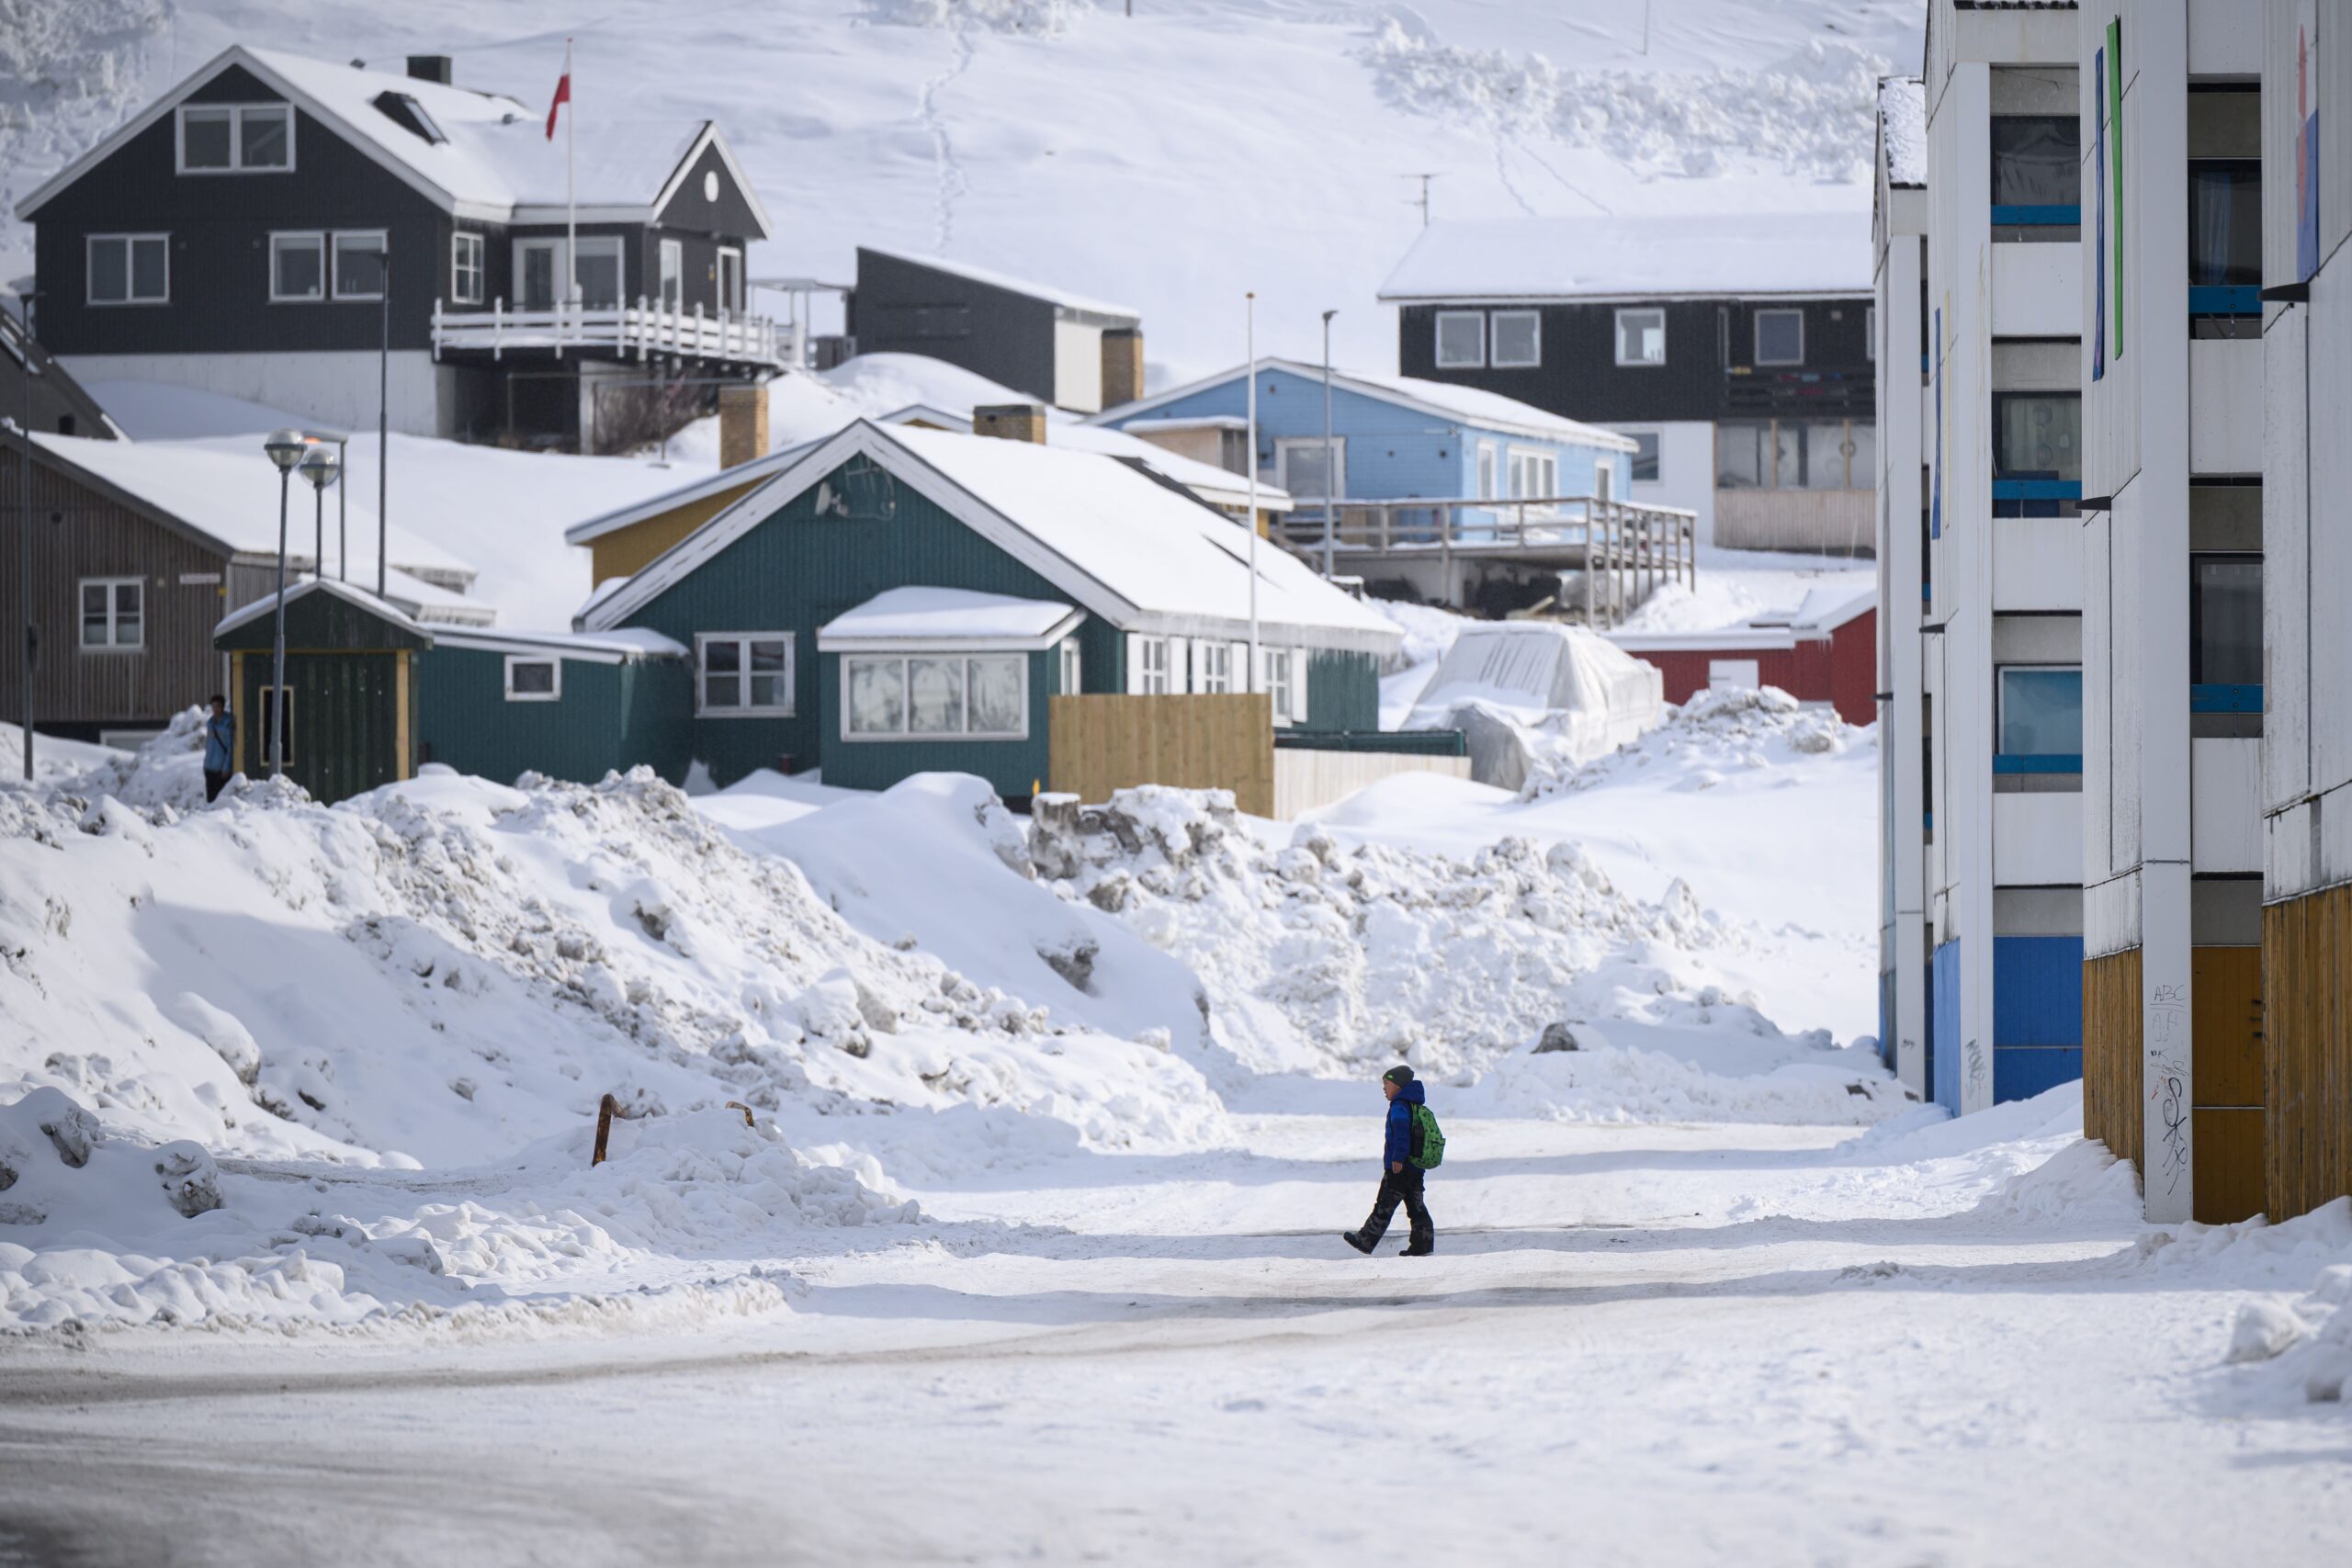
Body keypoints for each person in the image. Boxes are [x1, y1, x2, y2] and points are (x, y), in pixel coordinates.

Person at [1343, 1065, 1435, 1257]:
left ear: (1399, 1086)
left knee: (1384, 1204)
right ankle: (1423, 1245)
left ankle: (1365, 1240)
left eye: (1387, 1084)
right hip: (1415, 1167)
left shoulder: (1400, 1106)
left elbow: (1401, 1134)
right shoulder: (1414, 1104)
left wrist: (1397, 1158)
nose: (1384, 1088)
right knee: (1417, 1207)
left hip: (1400, 1167)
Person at [202, 694, 234, 804]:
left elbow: (231, 748)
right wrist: (205, 765)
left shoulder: (228, 723)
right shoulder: (211, 723)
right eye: (213, 706)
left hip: (221, 771)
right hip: (209, 768)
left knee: (219, 801)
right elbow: (209, 745)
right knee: (210, 801)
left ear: (223, 707)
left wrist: (226, 768)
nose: (215, 709)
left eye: (218, 706)